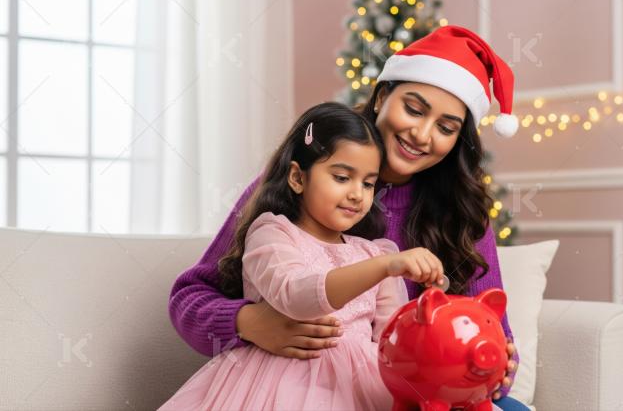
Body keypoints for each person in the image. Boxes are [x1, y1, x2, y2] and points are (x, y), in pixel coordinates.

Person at [168, 25, 528, 409]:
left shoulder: (463, 212)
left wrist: (495, 371)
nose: (422, 135)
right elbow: (189, 297)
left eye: (445, 128)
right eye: (414, 109)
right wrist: (249, 323)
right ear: (383, 96)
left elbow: (493, 334)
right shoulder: (297, 187)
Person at [161, 102, 447, 409]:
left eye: (367, 183)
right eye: (341, 177)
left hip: (359, 388)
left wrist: (431, 314)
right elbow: (296, 297)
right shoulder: (272, 234)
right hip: (279, 383)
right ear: (298, 177)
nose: (357, 194)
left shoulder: (373, 251)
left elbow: (394, 340)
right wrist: (382, 267)